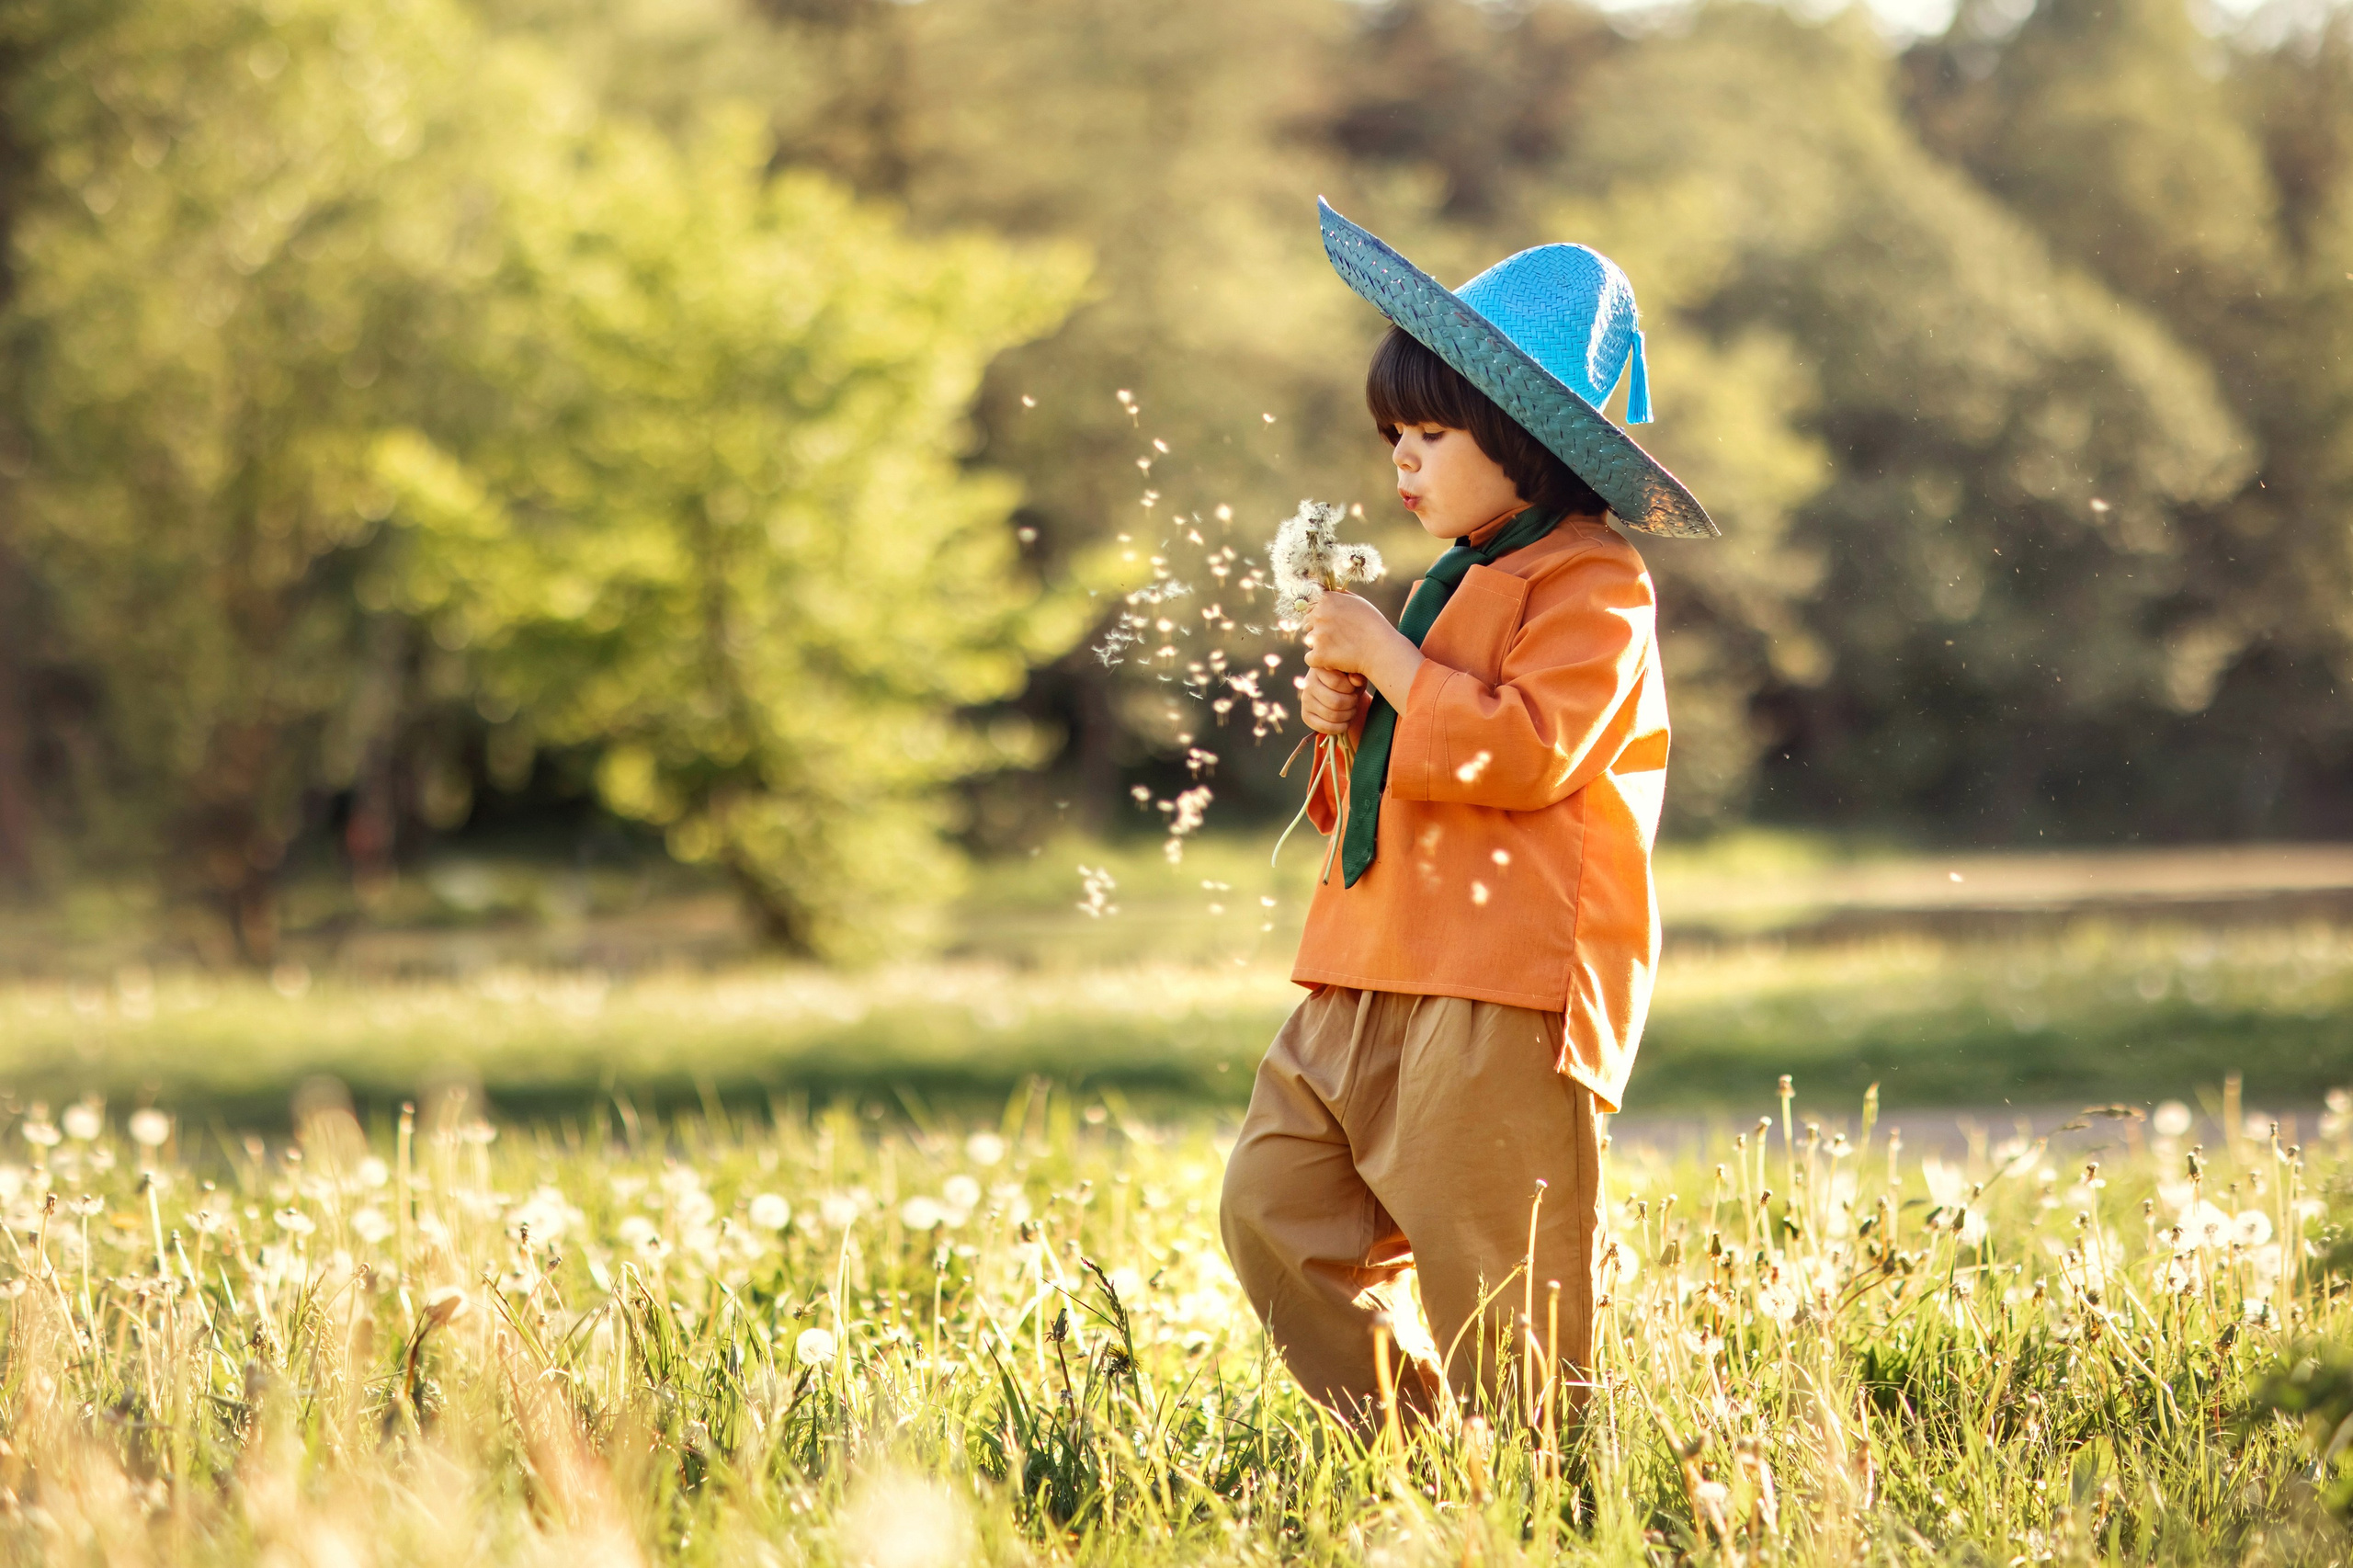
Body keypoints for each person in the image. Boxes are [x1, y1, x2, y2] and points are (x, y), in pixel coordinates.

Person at [1219, 199, 1717, 1429]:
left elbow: (1529, 752)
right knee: (1271, 1211)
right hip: (1368, 963)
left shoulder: (1595, 581)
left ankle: (1548, 1506)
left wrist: (1388, 664)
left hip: (1505, 979)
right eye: (1395, 432)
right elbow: (1405, 779)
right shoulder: (1461, 583)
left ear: (1524, 442)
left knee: (1502, 1283)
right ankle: (1429, 1458)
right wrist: (1348, 713)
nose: (1401, 458)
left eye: (1429, 432)